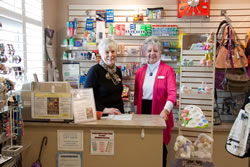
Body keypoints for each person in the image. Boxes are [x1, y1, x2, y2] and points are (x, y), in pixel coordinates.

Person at [134, 36, 176, 167]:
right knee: (143, 146)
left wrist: (166, 110)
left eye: (155, 51)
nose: (152, 53)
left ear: (160, 52)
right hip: (143, 113)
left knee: (160, 148)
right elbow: (136, 95)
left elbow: (172, 94)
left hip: (160, 114)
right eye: (149, 50)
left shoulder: (168, 70)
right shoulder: (140, 72)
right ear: (145, 52)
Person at [84, 38, 124, 114]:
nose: (110, 55)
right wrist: (104, 110)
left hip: (119, 114)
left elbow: (117, 96)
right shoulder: (94, 71)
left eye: (113, 51)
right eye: (106, 52)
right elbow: (87, 97)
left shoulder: (118, 71)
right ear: (101, 54)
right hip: (102, 116)